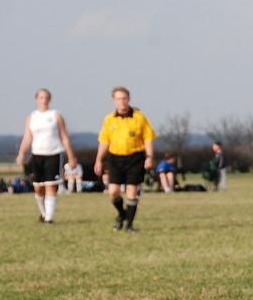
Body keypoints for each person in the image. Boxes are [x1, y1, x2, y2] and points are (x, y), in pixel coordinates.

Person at [93, 86, 155, 232]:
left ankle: (129, 225)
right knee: (113, 191)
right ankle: (122, 214)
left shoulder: (140, 117)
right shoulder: (109, 119)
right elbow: (104, 141)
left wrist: (149, 156)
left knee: (132, 193)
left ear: (129, 99)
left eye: (124, 98)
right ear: (114, 100)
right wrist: (98, 160)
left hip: (135, 158)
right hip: (115, 158)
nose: (122, 101)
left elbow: (148, 138)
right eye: (118, 98)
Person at [15, 88, 78, 223]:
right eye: (41, 97)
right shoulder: (31, 117)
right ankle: (44, 213)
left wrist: (71, 156)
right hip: (37, 155)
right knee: (38, 188)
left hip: (54, 154)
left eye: (46, 97)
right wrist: (21, 153)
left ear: (50, 99)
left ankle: (49, 218)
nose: (44, 100)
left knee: (51, 185)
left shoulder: (56, 115)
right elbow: (27, 137)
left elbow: (64, 137)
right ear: (37, 99)